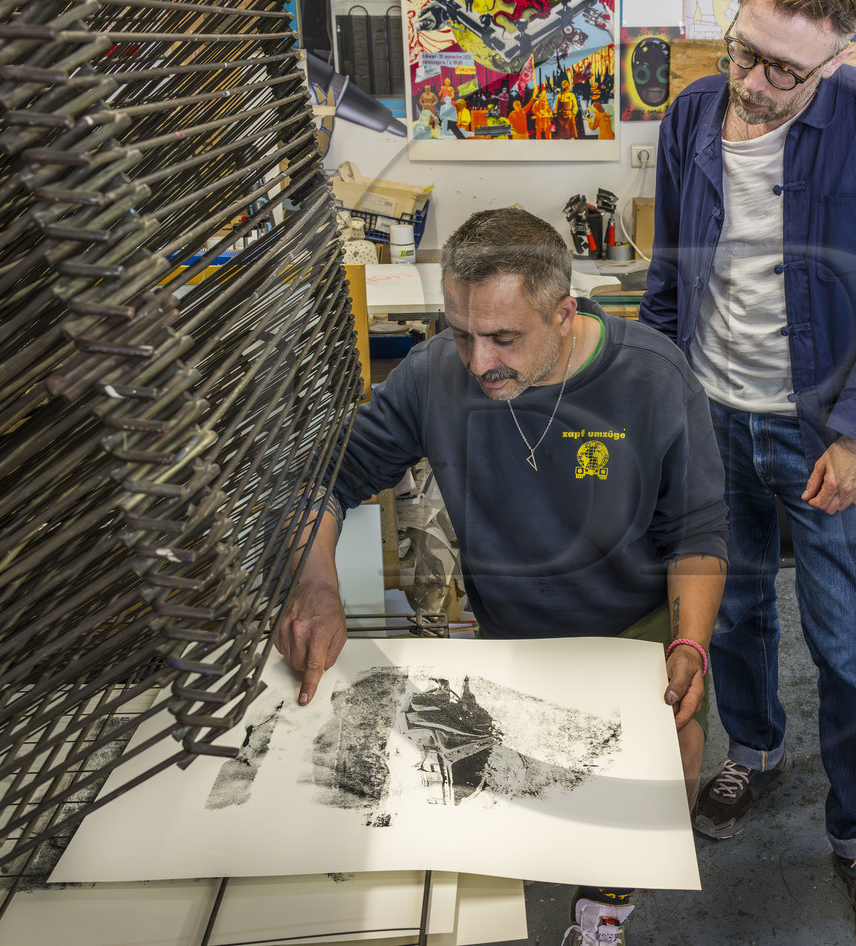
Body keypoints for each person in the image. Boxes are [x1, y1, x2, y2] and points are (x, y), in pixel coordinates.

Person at [276, 208, 728, 944]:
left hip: (637, 639)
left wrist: (692, 648)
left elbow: (699, 531)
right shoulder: (432, 377)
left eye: (504, 339)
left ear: (563, 312)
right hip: (511, 636)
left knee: (645, 808)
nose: (478, 361)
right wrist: (316, 583)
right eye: (460, 331)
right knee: (511, 814)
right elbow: (319, 482)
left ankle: (603, 913)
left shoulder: (652, 377)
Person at [640, 0, 856, 946]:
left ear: (841, 55)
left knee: (847, 641)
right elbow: (670, 277)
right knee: (727, 618)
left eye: (784, 69)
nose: (755, 84)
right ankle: (755, 748)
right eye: (743, 52)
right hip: (709, 414)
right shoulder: (689, 115)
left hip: (828, 434)